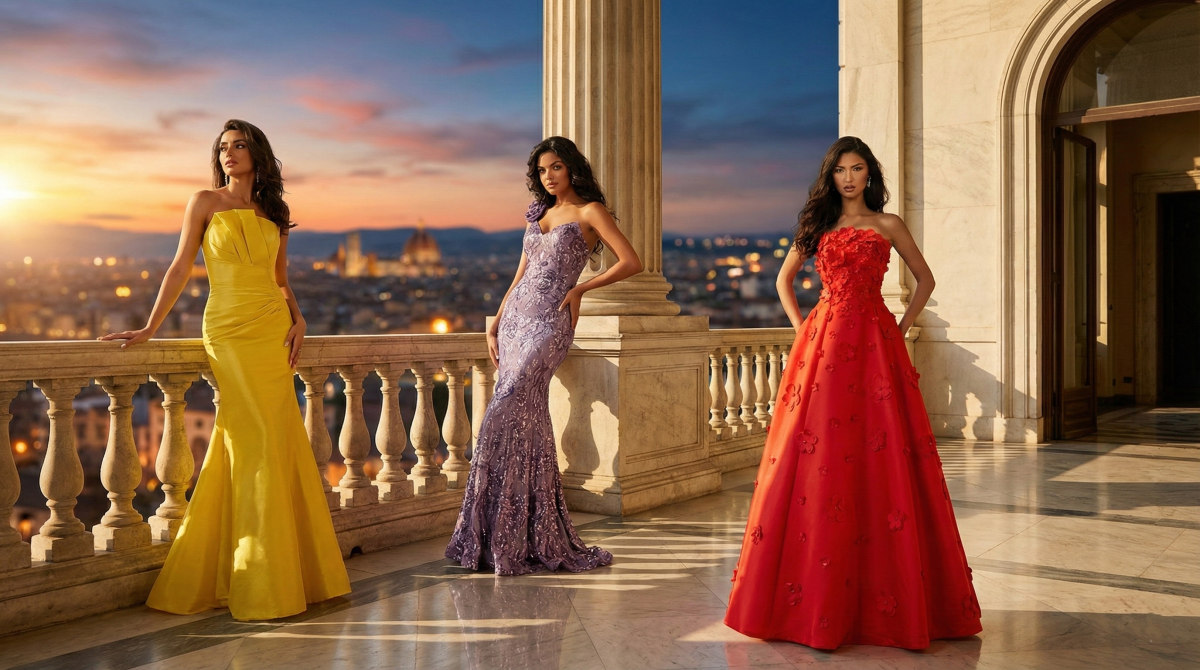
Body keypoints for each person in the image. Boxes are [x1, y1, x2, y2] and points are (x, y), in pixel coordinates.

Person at [724, 137, 982, 649]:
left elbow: (925, 280)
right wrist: (804, 328)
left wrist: (900, 327)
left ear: (869, 175)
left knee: (880, 450)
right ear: (831, 176)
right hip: (824, 344)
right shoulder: (818, 226)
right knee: (822, 453)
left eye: (857, 168)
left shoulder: (888, 224)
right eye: (840, 170)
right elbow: (783, 282)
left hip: (875, 341)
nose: (848, 178)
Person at [100, 119, 350, 620]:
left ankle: (279, 572)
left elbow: (279, 278)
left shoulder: (275, 213)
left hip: (272, 328)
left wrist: (299, 318)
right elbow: (179, 266)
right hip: (229, 329)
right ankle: (259, 575)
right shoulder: (204, 202)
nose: (228, 154)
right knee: (255, 435)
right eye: (222, 148)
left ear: (258, 153)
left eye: (238, 146)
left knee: (272, 436)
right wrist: (150, 326)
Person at [445, 136, 642, 574]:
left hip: (551, 322)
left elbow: (631, 262)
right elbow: (522, 272)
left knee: (504, 408)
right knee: (525, 416)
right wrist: (497, 318)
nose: (548, 176)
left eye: (555, 167)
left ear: (571, 168)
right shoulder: (539, 214)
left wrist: (581, 288)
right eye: (541, 170)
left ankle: (514, 528)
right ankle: (509, 532)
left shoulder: (590, 212)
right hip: (516, 320)